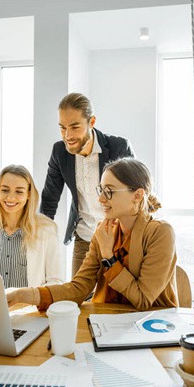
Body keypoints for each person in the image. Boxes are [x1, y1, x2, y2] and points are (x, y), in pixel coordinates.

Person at [8, 157, 178, 311]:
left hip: (151, 327)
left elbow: (142, 299)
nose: (101, 199)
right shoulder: (103, 231)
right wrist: (25, 295)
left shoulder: (160, 232)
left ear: (137, 195)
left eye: (109, 191)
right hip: (107, 321)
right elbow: (79, 288)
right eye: (101, 190)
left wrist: (108, 257)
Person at [40, 93, 135, 277]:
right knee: (80, 300)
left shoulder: (119, 147)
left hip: (119, 238)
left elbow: (137, 196)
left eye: (75, 127)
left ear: (91, 122)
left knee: (119, 298)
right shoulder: (59, 152)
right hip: (84, 237)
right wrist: (39, 239)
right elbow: (49, 199)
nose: (68, 135)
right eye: (62, 128)